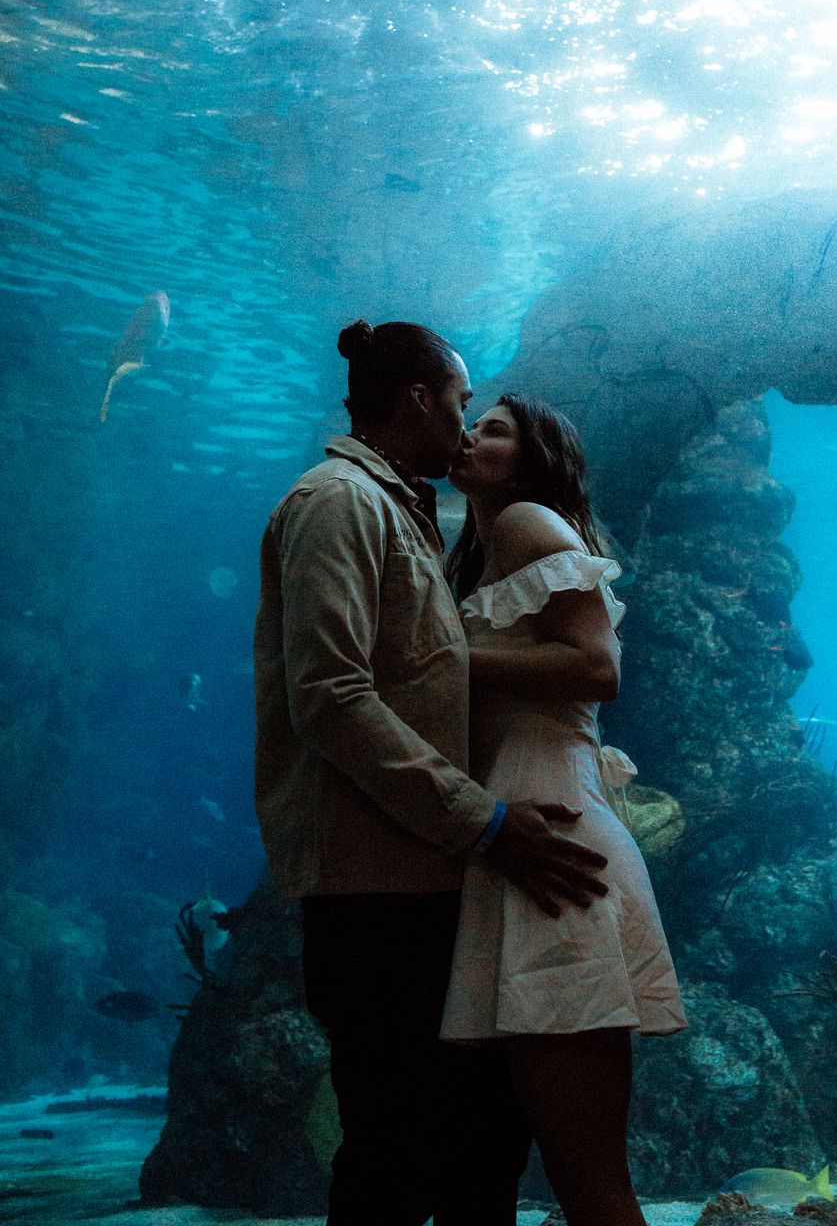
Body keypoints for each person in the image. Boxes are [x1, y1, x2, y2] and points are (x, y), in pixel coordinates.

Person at [253, 320, 609, 1226]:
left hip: (424, 874)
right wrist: (484, 821)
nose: (464, 423)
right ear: (418, 398)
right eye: (459, 403)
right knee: (394, 1147)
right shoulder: (339, 503)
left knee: (476, 1142)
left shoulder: (405, 509)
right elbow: (331, 696)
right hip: (376, 886)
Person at [441, 393, 688, 1226]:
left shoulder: (527, 522)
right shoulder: (476, 546)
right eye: (475, 421)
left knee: (590, 1183)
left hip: (551, 835)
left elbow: (596, 668)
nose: (471, 434)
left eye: (496, 430)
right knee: (563, 1174)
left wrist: (436, 657)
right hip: (526, 826)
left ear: (536, 459)